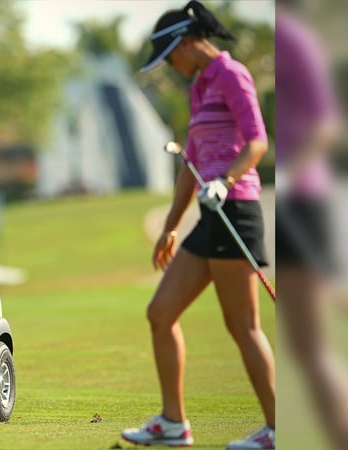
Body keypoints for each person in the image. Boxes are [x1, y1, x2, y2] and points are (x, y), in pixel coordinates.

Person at [121, 2, 275, 448]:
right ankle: (174, 424)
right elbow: (190, 164)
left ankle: (280, 428)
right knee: (161, 313)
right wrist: (171, 226)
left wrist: (226, 181)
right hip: (211, 215)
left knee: (242, 325)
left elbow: (257, 141)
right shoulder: (199, 86)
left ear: (187, 44)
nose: (171, 66)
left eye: (171, 57)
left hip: (237, 209)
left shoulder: (231, 74)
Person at [275, 3, 348, 449]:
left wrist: (288, 172)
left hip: (304, 201)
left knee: (314, 349)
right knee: (309, 351)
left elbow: (325, 125)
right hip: (293, 206)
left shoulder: (293, 37)